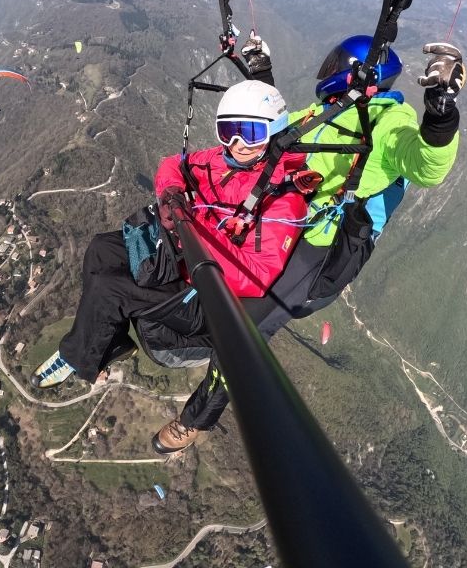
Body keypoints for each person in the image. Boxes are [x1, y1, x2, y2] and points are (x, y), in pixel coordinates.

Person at [137, 33, 465, 451]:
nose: (325, 71)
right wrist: (262, 75)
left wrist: (440, 114)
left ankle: (196, 418)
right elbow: (280, 134)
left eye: (333, 64)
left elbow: (425, 165)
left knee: (247, 327)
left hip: (322, 246)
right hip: (287, 219)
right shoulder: (328, 109)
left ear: (350, 72)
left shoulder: (387, 123)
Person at [30, 80, 317, 452]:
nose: (237, 143)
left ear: (274, 133)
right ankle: (109, 345)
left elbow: (256, 278)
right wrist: (172, 194)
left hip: (204, 294)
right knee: (101, 248)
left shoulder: (283, 200)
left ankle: (80, 360)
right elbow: (174, 165)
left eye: (250, 132)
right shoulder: (221, 161)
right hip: (183, 257)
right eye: (228, 131)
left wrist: (192, 235)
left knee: (109, 289)